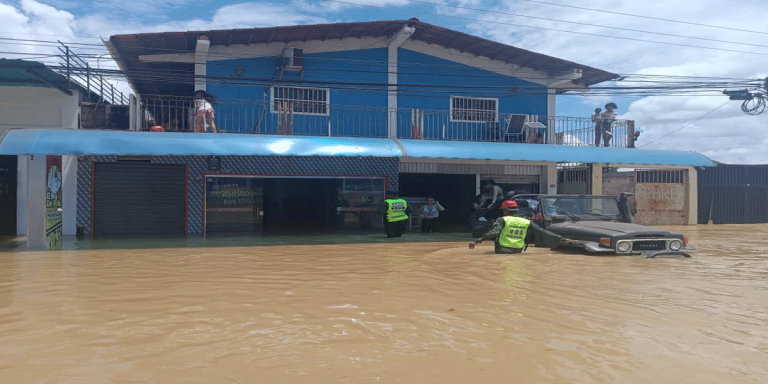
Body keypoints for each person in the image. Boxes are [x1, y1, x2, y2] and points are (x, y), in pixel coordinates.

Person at [469, 200, 574, 254]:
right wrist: (563, 239)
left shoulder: (502, 220)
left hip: (503, 249)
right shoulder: (526, 221)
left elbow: (494, 232)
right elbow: (543, 232)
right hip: (518, 250)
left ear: (505, 210)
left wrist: (478, 240)